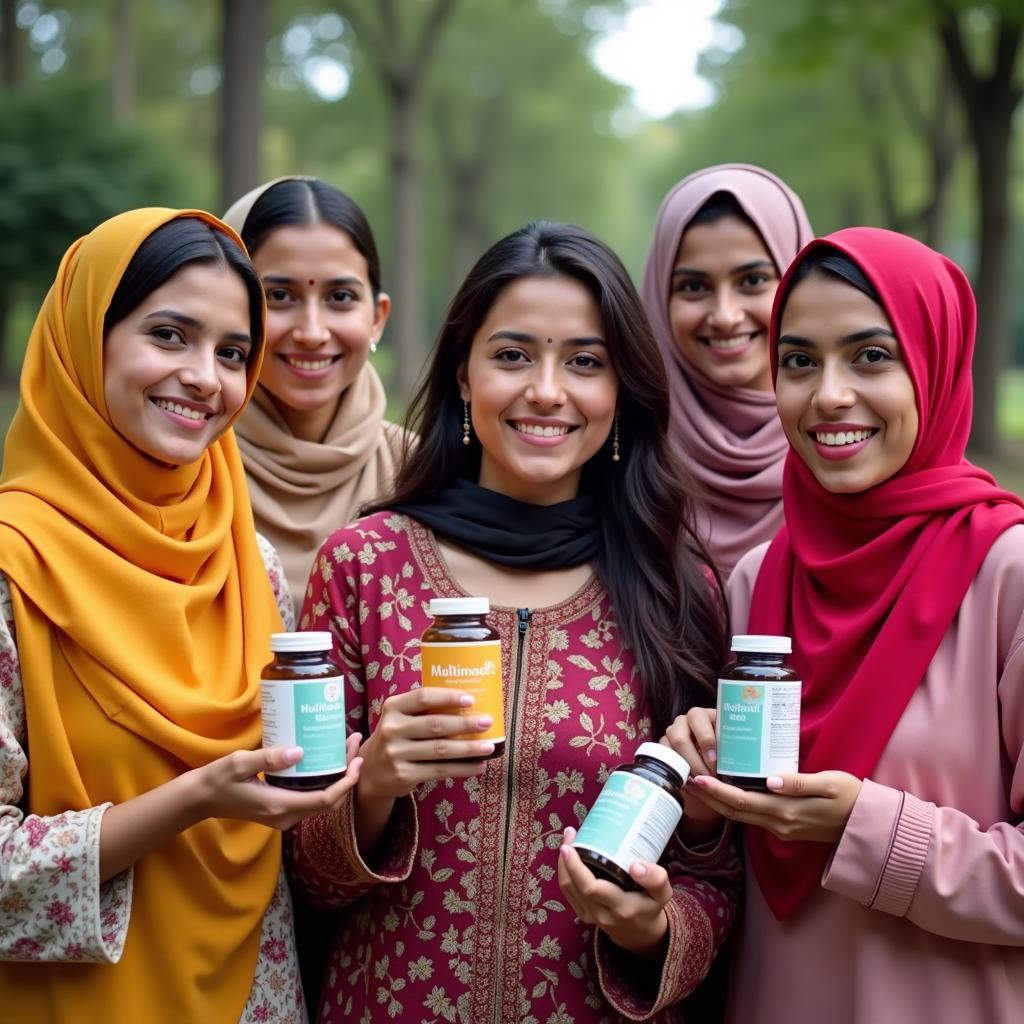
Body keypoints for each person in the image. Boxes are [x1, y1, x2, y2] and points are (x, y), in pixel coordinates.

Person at [288, 221, 740, 1022]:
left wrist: (652, 928)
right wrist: (374, 790)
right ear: (464, 373)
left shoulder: (679, 586)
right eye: (512, 354)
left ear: (621, 390)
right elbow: (302, 876)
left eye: (585, 361)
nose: (546, 389)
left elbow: (720, 873)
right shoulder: (364, 566)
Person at [0, 208, 364, 1023]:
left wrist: (349, 786)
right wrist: (194, 798)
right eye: (169, 336)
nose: (206, 377)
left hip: (254, 997)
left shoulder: (246, 557)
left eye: (233, 353)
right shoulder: (10, 566)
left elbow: (278, 817)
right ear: (84, 338)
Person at [667, 228, 1024, 1023]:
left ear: (935, 367)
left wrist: (868, 828)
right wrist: (700, 801)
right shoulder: (761, 578)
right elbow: (740, 867)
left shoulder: (1008, 576)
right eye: (798, 361)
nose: (828, 394)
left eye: (871, 356)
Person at [222, 177, 407, 618]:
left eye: (340, 297)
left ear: (377, 318)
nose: (311, 332)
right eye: (280, 296)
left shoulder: (421, 473)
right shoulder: (179, 471)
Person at [640, 164, 812, 577]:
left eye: (752, 280)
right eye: (694, 287)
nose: (725, 315)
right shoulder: (621, 448)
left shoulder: (852, 440)